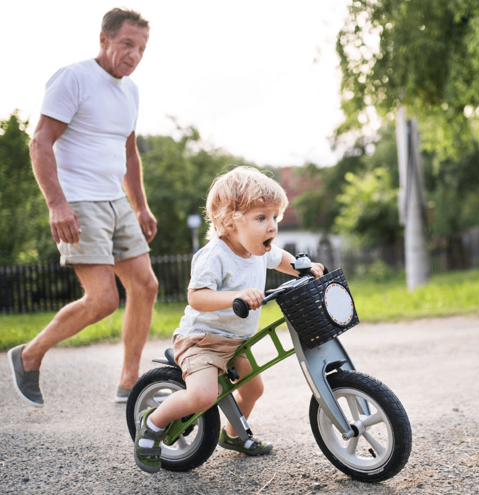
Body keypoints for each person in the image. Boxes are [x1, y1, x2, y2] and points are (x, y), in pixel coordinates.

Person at [7, 8, 159, 407]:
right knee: (104, 299)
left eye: (142, 48)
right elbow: (40, 141)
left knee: (145, 285)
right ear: (104, 39)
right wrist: (57, 205)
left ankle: (130, 383)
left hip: (115, 199)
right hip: (79, 200)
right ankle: (28, 355)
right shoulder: (73, 78)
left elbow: (129, 154)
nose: (134, 55)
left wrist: (140, 207)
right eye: (128, 43)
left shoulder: (132, 91)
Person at [133, 166, 324, 473]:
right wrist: (234, 297)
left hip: (235, 342)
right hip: (201, 342)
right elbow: (196, 296)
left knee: (253, 389)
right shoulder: (215, 255)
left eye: (275, 217)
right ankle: (152, 423)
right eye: (261, 218)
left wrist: (304, 267)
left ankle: (234, 435)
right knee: (203, 395)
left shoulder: (260, 251)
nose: (271, 226)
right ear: (231, 220)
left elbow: (283, 258)